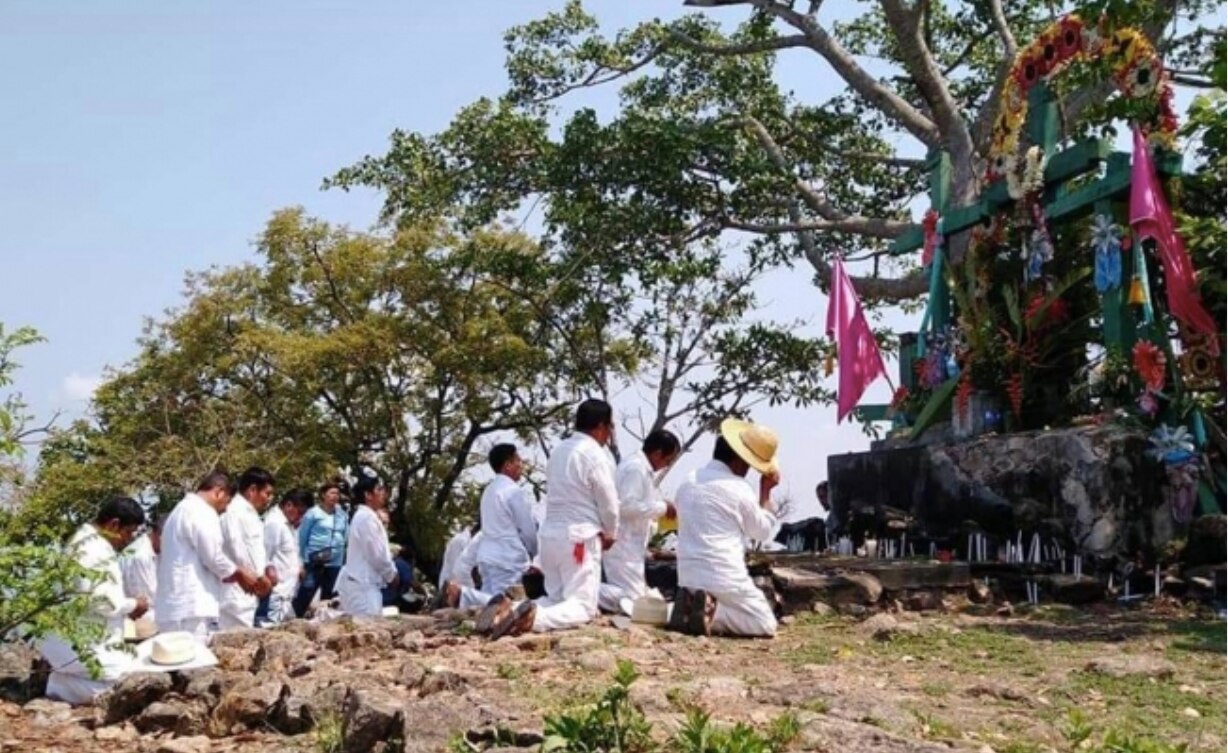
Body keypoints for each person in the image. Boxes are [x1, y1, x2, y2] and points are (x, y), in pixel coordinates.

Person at [478, 399, 620, 638]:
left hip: (551, 537)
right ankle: (530, 618)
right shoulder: (594, 454)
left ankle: (510, 608)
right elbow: (609, 501)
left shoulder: (559, 451)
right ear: (601, 426)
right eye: (610, 427)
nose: (609, 434)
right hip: (579, 537)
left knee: (556, 597)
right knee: (584, 606)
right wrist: (611, 532)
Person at [672, 418, 780, 638]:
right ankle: (710, 613)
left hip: (688, 577)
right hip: (724, 576)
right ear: (739, 460)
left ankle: (689, 606)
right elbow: (761, 532)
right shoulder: (739, 487)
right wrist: (766, 492)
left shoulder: (687, 481)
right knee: (765, 623)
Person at [39, 497, 149, 705]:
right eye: (128, 532)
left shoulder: (91, 543)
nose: (128, 540)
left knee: (133, 671)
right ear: (114, 525)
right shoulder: (92, 551)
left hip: (89, 640)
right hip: (81, 644)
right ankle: (59, 687)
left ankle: (61, 682)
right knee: (127, 682)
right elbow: (101, 601)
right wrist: (134, 604)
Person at [156, 470, 264, 642]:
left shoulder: (182, 509)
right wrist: (239, 573)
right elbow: (213, 556)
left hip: (177, 605)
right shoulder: (202, 511)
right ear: (219, 492)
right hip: (190, 607)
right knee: (192, 655)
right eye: (227, 501)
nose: (226, 508)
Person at [598, 429, 681, 616]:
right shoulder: (635, 468)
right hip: (623, 545)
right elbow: (627, 506)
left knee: (643, 599)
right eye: (668, 460)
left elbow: (640, 504)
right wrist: (662, 508)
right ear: (658, 453)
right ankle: (585, 591)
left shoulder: (641, 469)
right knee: (634, 605)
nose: (666, 466)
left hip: (631, 547)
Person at [474, 444, 538, 596]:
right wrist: (535, 556)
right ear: (508, 465)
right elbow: (528, 530)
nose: (521, 465)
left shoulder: (488, 490)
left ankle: (464, 596)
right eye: (518, 460)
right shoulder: (512, 490)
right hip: (507, 559)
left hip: (487, 558)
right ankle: (462, 594)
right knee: (507, 604)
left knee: (489, 603)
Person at [219, 467, 278, 629]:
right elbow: (237, 550)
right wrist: (259, 577)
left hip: (248, 591)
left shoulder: (250, 515)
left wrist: (266, 568)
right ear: (252, 490)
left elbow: (256, 550)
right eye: (267, 493)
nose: (269, 499)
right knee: (234, 636)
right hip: (236, 590)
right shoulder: (235, 512)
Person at [336, 470, 398, 617]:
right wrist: (392, 575)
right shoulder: (367, 519)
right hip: (363, 586)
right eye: (379, 489)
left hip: (363, 585)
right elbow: (377, 555)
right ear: (368, 495)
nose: (383, 493)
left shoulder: (366, 517)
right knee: (368, 624)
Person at [293, 480, 349, 617]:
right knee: (307, 591)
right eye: (332, 493)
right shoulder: (313, 513)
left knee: (329, 596)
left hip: (335, 562)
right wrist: (302, 560)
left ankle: (324, 621)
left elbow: (346, 536)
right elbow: (302, 537)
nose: (335, 496)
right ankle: (295, 617)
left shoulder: (342, 515)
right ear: (323, 495)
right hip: (315, 560)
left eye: (337, 493)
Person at [258, 488, 312, 626]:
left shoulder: (289, 524)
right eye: (300, 513)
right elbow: (264, 554)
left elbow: (292, 550)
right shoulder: (275, 524)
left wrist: (299, 566)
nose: (301, 518)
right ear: (288, 505)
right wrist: (269, 570)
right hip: (276, 594)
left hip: (287, 592)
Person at [120, 513, 165, 624]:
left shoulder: (157, 550)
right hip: (136, 619)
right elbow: (147, 601)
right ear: (159, 534)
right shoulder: (141, 555)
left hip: (149, 615)